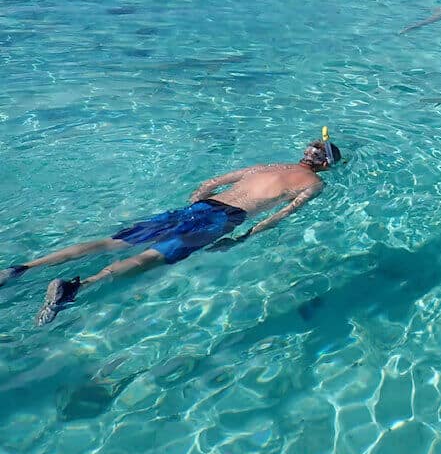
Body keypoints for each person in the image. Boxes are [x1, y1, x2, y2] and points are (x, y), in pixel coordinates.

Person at [1, 135, 342, 326]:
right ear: (325, 165)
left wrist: (193, 206)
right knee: (148, 260)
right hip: (221, 222)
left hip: (199, 209)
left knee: (112, 242)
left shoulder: (263, 166)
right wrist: (242, 239)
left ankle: (21, 269)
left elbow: (208, 184)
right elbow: (281, 215)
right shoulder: (313, 184)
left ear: (305, 153)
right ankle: (76, 287)